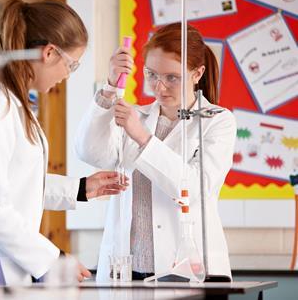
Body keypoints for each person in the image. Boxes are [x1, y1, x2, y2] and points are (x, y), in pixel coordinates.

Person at [0, 0, 128, 285]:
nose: (67, 76)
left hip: (7, 267)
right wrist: (52, 259)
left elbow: (15, 182)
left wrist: (80, 188)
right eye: (72, 65)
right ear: (49, 53)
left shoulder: (15, 104)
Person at [76, 23, 236, 282]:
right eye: (152, 75)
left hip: (186, 270)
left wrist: (142, 136)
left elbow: (192, 190)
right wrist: (109, 89)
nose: (159, 88)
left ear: (197, 73)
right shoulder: (138, 115)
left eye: (172, 77)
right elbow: (89, 152)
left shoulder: (217, 121)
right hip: (128, 271)